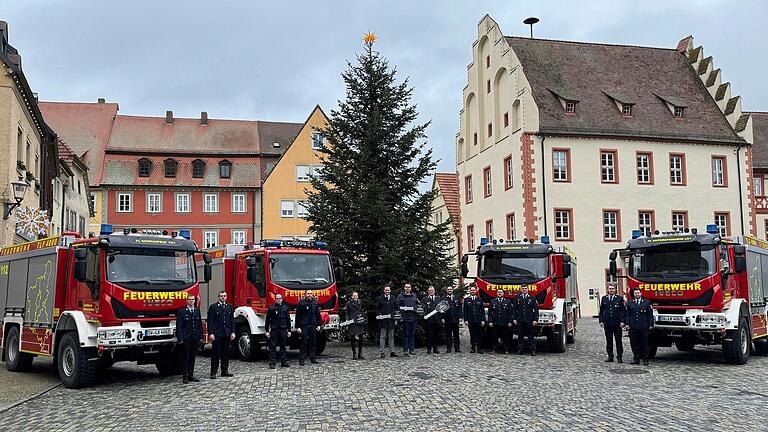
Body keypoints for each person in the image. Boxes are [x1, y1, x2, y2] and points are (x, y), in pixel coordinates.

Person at [207, 290, 235, 379]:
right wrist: (211, 333)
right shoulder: (213, 307)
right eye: (221, 296)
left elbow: (232, 321)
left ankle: (224, 371)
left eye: (225, 296)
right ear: (218, 297)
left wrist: (233, 332)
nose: (223, 297)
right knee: (216, 353)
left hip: (226, 333)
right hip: (217, 333)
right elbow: (210, 321)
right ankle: (213, 372)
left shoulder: (229, 307)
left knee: (226, 353)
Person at [176, 294, 203, 384]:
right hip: (186, 338)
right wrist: (180, 338)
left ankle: (191, 374)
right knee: (185, 357)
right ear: (186, 301)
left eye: (193, 299)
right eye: (190, 299)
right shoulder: (182, 311)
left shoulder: (197, 311)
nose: (191, 301)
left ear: (195, 301)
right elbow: (179, 326)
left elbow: (199, 325)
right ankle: (185, 376)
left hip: (195, 337)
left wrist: (201, 337)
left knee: (192, 357)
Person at [625, 288, 654, 365]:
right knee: (634, 344)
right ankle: (636, 358)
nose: (636, 294)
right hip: (633, 326)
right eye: (635, 293)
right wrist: (627, 324)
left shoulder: (646, 302)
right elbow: (627, 314)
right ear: (633, 294)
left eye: (638, 293)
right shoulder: (630, 302)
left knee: (644, 344)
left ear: (641, 293)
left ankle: (645, 359)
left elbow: (650, 315)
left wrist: (651, 325)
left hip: (643, 327)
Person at [599, 283, 625, 363]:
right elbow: (601, 311)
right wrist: (601, 320)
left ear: (615, 290)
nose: (611, 290)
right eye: (609, 289)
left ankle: (619, 357)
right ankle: (610, 356)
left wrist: (623, 321)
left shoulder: (619, 299)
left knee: (618, 341)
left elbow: (623, 311)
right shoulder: (604, 298)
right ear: (607, 289)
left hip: (617, 323)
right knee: (609, 341)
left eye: (612, 289)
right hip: (607, 323)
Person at [296, 290, 322, 366]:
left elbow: (318, 315)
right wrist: (298, 326)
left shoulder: (315, 303)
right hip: (304, 325)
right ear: (305, 295)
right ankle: (302, 359)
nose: (309, 295)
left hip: (313, 325)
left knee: (313, 342)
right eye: (308, 294)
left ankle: (313, 358)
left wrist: (318, 325)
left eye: (311, 294)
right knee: (303, 343)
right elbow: (298, 316)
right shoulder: (301, 303)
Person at [265, 294, 292, 369]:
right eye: (277, 298)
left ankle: (283, 362)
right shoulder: (271, 308)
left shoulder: (285, 308)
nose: (278, 300)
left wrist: (289, 330)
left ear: (282, 299)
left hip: (283, 329)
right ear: (275, 299)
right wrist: (267, 330)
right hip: (274, 330)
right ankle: (272, 363)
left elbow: (288, 320)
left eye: (280, 298)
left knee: (283, 346)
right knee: (272, 347)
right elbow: (267, 320)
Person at [513, 284, 539, 356]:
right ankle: (520, 350)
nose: (524, 290)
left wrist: (535, 319)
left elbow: (536, 310)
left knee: (531, 336)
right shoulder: (517, 297)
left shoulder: (532, 297)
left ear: (528, 289)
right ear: (521, 289)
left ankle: (532, 351)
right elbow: (514, 309)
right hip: (520, 319)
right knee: (520, 336)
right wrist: (514, 318)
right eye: (523, 288)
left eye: (525, 288)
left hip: (529, 320)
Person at [375, 286, 398, 358]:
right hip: (383, 320)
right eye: (386, 290)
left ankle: (392, 351)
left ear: (390, 291)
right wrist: (380, 315)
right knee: (383, 336)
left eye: (388, 290)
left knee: (391, 336)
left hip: (391, 320)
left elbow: (396, 309)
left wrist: (396, 318)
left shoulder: (393, 298)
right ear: (384, 291)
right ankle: (382, 352)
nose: (387, 291)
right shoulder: (380, 298)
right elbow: (377, 308)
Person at [397, 283, 418, 355]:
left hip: (413, 318)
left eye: (409, 287)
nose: (407, 288)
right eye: (406, 287)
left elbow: (418, 305)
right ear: (404, 288)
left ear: (411, 288)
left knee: (412, 334)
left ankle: (412, 349)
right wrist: (403, 309)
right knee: (406, 334)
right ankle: (405, 349)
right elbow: (397, 306)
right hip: (405, 318)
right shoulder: (400, 296)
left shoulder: (414, 295)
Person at [488, 288, 512, 354]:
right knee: (494, 337)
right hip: (495, 322)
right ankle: (494, 349)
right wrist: (490, 321)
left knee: (505, 337)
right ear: (496, 293)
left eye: (501, 292)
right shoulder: (492, 301)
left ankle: (506, 350)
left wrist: (510, 321)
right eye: (498, 292)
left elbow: (510, 313)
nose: (499, 293)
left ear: (503, 294)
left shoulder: (507, 301)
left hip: (504, 322)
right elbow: (490, 313)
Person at [463, 285, 485, 353]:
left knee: (479, 334)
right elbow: (465, 311)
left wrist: (483, 320)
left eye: (474, 290)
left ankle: (479, 348)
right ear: (470, 291)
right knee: (472, 334)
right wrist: (466, 320)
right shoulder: (467, 300)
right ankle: (472, 347)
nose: (473, 291)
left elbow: (482, 311)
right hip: (470, 320)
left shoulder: (480, 299)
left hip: (478, 320)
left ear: (476, 291)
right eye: (471, 290)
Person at [344, 291, 365, 360]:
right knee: (352, 337)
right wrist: (347, 321)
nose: (355, 297)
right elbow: (347, 313)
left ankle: (360, 353)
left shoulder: (360, 302)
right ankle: (354, 353)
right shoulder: (349, 303)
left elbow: (362, 310)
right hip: (352, 321)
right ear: (352, 296)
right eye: (354, 296)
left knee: (361, 337)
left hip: (359, 320)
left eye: (356, 295)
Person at [422, 286, 442, 354]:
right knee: (429, 335)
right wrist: (425, 315)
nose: (431, 291)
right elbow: (423, 309)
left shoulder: (438, 298)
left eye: (432, 290)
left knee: (436, 335)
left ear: (434, 291)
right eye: (430, 290)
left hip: (437, 319)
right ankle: (429, 348)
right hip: (429, 320)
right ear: (428, 291)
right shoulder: (424, 299)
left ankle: (435, 348)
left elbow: (441, 308)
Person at [441, 286, 461, 353]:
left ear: (453, 290)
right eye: (448, 289)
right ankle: (448, 348)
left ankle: (457, 348)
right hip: (447, 319)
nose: (449, 290)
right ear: (446, 290)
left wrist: (460, 317)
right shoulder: (443, 298)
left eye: (450, 289)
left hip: (455, 319)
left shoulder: (457, 297)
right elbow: (442, 309)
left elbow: (460, 308)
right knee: (448, 334)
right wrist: (443, 318)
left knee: (456, 334)